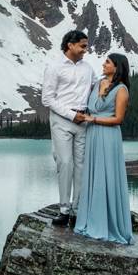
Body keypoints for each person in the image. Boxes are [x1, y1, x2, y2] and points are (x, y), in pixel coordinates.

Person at [75, 52, 132, 244]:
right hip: (92, 135)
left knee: (106, 176)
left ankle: (108, 224)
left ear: (117, 67)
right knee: (93, 175)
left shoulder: (122, 89)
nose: (103, 64)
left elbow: (119, 119)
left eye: (107, 62)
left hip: (108, 136)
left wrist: (94, 119)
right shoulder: (97, 84)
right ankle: (91, 220)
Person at [40, 29, 93, 226]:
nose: (85, 50)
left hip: (83, 120)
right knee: (65, 163)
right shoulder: (54, 67)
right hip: (62, 120)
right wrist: (72, 115)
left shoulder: (88, 68)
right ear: (70, 45)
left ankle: (77, 210)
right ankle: (64, 210)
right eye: (83, 46)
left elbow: (95, 88)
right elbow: (47, 99)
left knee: (81, 166)